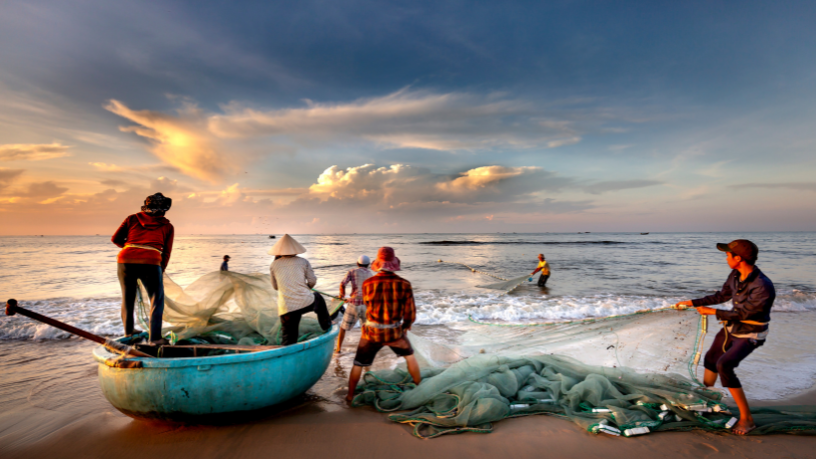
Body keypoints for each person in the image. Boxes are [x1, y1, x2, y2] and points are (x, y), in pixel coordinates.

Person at [676, 239, 775, 435]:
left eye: (728, 254)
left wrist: (712, 312)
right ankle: (706, 401)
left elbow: (746, 314)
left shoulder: (763, 285)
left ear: (738, 258)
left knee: (725, 365)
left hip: (751, 332)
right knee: (711, 359)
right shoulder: (735, 274)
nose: (726, 258)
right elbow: (721, 296)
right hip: (732, 326)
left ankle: (747, 419)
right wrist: (692, 302)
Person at [346, 247, 421, 402]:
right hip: (394, 332)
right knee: (410, 357)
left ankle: (350, 395)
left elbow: (368, 305)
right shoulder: (404, 284)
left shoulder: (367, 284)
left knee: (358, 363)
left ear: (377, 264)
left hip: (371, 332)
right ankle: (419, 389)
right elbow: (410, 314)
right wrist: (405, 328)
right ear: (394, 263)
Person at [111, 192, 174, 344]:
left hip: (125, 260)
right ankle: (155, 338)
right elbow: (166, 252)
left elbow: (115, 239)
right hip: (151, 261)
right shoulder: (167, 226)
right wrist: (161, 269)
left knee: (127, 298)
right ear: (164, 209)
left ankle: (129, 332)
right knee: (156, 300)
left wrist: (130, 248)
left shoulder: (132, 218)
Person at [269, 234, 331, 345]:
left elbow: (275, 287)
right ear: (295, 250)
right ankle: (326, 326)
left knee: (289, 339)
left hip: (286, 308)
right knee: (318, 298)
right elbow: (312, 281)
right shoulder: (303, 262)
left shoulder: (274, 265)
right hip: (305, 302)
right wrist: (305, 288)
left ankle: (287, 356)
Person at [335, 255, 375, 353]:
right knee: (365, 328)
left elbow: (342, 284)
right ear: (368, 265)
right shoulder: (371, 275)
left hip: (354, 304)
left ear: (357, 263)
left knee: (343, 328)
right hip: (366, 305)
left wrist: (342, 295)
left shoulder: (352, 271)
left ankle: (338, 350)